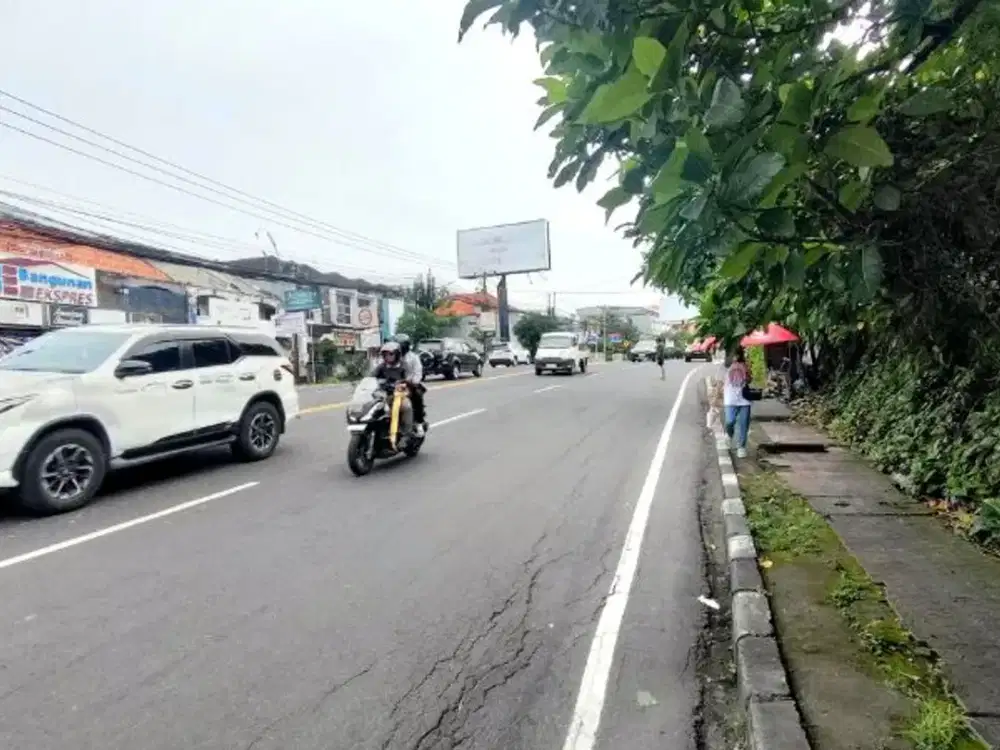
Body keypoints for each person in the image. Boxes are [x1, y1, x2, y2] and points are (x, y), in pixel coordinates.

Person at [370, 341, 415, 442]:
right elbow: (371, 376)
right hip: (385, 395)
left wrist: (404, 383)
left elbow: (409, 376)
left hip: (400, 395)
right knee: (374, 409)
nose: (388, 356)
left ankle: (406, 435)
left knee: (406, 406)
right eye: (385, 354)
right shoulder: (382, 366)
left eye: (391, 354)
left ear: (397, 354)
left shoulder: (404, 365)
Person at [393, 333, 426, 436]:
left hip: (409, 384)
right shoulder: (392, 356)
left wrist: (413, 383)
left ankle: (419, 423)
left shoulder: (413, 357)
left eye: (401, 345)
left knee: (417, 396)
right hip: (394, 385)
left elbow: (418, 372)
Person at [723, 346, 752, 458]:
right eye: (732, 355)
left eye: (736, 355)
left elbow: (749, 380)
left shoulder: (745, 365)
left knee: (744, 424)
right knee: (730, 421)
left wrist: (747, 371)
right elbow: (720, 382)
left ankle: (741, 447)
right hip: (730, 398)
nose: (734, 357)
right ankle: (729, 435)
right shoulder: (725, 367)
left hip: (744, 398)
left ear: (740, 355)